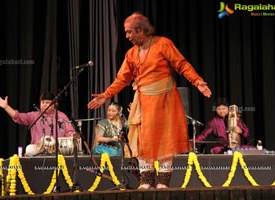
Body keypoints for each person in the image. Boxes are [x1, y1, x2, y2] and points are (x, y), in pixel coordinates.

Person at [87, 12, 211, 189]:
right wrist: (106, 95)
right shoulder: (131, 54)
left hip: (165, 99)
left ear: (140, 30)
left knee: (165, 138)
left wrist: (197, 81)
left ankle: (163, 182)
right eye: (126, 32)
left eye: (129, 32)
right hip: (143, 101)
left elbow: (181, 64)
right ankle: (146, 180)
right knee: (141, 140)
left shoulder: (163, 44)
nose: (127, 36)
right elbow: (122, 78)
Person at [0, 92, 75, 156]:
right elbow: (18, 117)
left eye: (47, 102)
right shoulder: (34, 116)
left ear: (55, 104)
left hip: (57, 150)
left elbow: (70, 132)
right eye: (42, 102)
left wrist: (72, 136)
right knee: (29, 149)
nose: (44, 105)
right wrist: (6, 107)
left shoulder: (61, 116)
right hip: (38, 149)